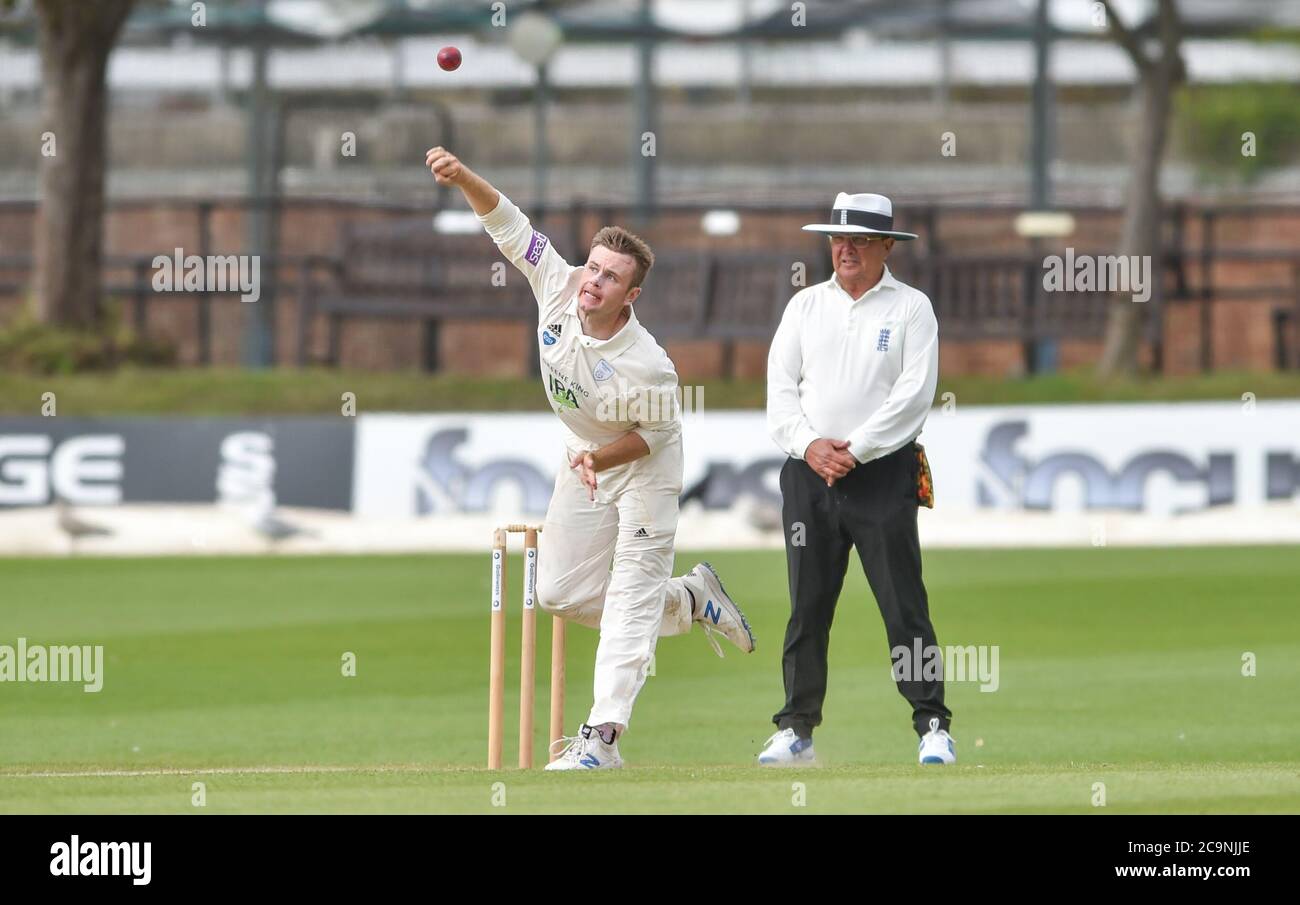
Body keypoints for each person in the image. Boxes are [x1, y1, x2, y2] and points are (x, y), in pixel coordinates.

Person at [425, 147, 755, 771]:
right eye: (592, 268)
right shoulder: (556, 281)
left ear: (631, 295)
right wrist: (462, 175)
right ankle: (688, 600)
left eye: (608, 278)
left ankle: (602, 739)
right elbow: (508, 223)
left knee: (629, 598)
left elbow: (653, 437)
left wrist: (601, 460)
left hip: (643, 469)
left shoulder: (648, 361)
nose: (592, 282)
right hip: (586, 455)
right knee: (558, 591)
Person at [759, 192, 954, 766]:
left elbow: (913, 397)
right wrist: (810, 445)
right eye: (838, 239)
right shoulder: (805, 307)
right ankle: (796, 727)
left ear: (886, 247)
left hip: (882, 474)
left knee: (902, 602)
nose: (846, 250)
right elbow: (779, 392)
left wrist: (857, 451)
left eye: (861, 241)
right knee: (808, 604)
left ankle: (933, 725)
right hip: (808, 473)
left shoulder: (911, 308)